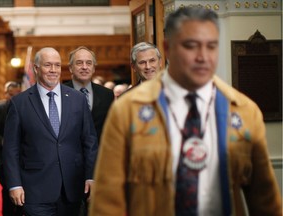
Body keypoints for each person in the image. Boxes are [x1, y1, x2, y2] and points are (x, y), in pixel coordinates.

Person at [90, 7, 282, 216]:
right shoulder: (127, 110)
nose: (202, 56)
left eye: (211, 46)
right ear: (168, 49)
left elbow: (265, 201)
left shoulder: (244, 110)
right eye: (190, 46)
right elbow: (108, 200)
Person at [3, 47, 98, 216]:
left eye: (57, 65)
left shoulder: (77, 99)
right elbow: (11, 149)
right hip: (35, 189)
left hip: (73, 188)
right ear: (36, 68)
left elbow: (89, 141)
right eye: (48, 65)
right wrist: (14, 184)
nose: (53, 70)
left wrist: (91, 176)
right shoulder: (19, 103)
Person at [64, 46, 114, 142]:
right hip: (69, 154)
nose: (84, 67)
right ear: (70, 68)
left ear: (94, 68)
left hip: (99, 155)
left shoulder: (107, 95)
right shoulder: (59, 93)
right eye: (79, 63)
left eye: (89, 63)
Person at [0, 81, 22, 216]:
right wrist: (1, 140)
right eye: (11, 95)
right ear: (6, 94)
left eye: (17, 94)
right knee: (7, 191)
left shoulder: (25, 108)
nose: (13, 98)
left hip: (23, 159)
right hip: (4, 159)